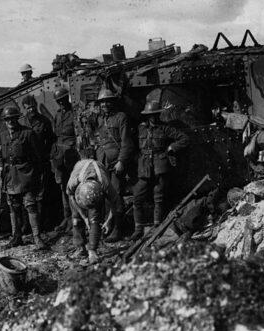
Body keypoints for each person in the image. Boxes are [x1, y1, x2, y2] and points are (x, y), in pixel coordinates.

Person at [131, 101, 189, 241]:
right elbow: (131, 145)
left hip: (160, 165)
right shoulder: (140, 129)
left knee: (159, 197)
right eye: (150, 115)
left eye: (154, 115)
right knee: (137, 197)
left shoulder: (165, 129)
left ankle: (157, 227)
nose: (152, 118)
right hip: (144, 166)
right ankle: (138, 229)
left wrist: (171, 148)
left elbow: (184, 138)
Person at [0, 105, 49, 251]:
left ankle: (37, 238)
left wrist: (36, 174)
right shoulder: (1, 135)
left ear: (17, 119)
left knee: (30, 205)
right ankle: (16, 237)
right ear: (4, 121)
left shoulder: (28, 133)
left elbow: (38, 155)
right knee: (13, 207)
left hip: (26, 174)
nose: (10, 122)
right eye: (7, 119)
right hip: (10, 175)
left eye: (13, 119)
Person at [92, 87, 135, 242]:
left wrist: (122, 161)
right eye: (102, 102)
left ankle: (118, 229)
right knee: (104, 196)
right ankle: (107, 226)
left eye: (107, 101)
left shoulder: (121, 117)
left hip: (116, 163)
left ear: (113, 102)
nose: (104, 105)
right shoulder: (99, 119)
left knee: (116, 196)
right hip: (103, 163)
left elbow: (126, 142)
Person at [66, 159, 122, 265]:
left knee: (95, 219)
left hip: (98, 176)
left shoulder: (104, 184)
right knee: (76, 220)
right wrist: (84, 217)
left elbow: (117, 204)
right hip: (79, 172)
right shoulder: (73, 182)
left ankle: (92, 251)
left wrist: (109, 221)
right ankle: (80, 248)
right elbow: (71, 196)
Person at [20, 94, 55, 229]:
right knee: (26, 193)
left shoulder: (44, 121)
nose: (31, 110)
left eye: (33, 107)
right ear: (24, 109)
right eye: (28, 108)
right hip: (26, 164)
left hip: (40, 161)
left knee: (41, 193)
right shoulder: (22, 122)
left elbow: (50, 140)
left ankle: (41, 223)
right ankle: (26, 225)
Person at [50, 87, 80, 231]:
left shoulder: (74, 113)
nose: (61, 102)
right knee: (63, 187)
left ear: (67, 98)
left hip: (72, 155)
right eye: (58, 101)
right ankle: (66, 217)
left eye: (63, 99)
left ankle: (76, 217)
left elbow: (79, 134)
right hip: (59, 156)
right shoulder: (57, 115)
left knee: (74, 186)